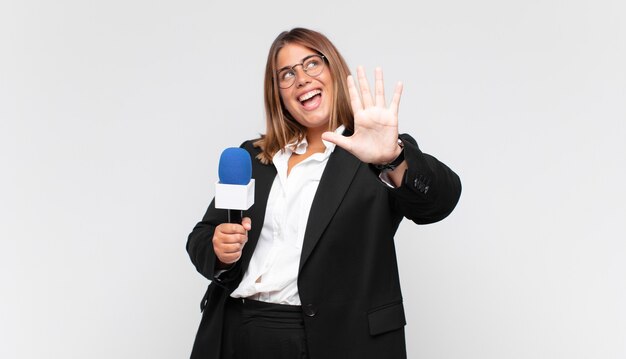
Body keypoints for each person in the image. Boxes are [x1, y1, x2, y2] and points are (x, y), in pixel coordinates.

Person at [187, 27, 461, 359]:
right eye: (287, 74)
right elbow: (202, 237)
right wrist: (219, 248)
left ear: (333, 70)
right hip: (235, 331)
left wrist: (393, 158)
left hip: (331, 339)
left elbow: (440, 202)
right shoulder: (254, 157)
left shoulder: (375, 154)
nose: (301, 78)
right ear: (279, 94)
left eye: (312, 64)